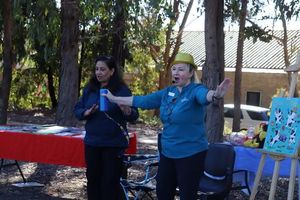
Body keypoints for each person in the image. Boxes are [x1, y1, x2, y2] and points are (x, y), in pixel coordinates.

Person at [102, 52, 231, 200]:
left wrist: (216, 94)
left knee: (187, 195)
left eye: (181, 69)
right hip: (168, 152)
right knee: (163, 192)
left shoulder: (196, 90)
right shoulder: (167, 92)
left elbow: (205, 96)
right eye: (174, 69)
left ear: (190, 73)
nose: (176, 72)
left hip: (191, 153)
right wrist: (113, 98)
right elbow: (143, 100)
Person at [74, 56, 139, 200]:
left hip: (113, 144)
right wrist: (87, 112)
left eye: (103, 69)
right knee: (93, 181)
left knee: (109, 183)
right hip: (92, 143)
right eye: (97, 69)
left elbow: (134, 115)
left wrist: (126, 110)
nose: (99, 72)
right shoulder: (90, 89)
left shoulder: (122, 90)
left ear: (112, 71)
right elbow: (77, 109)